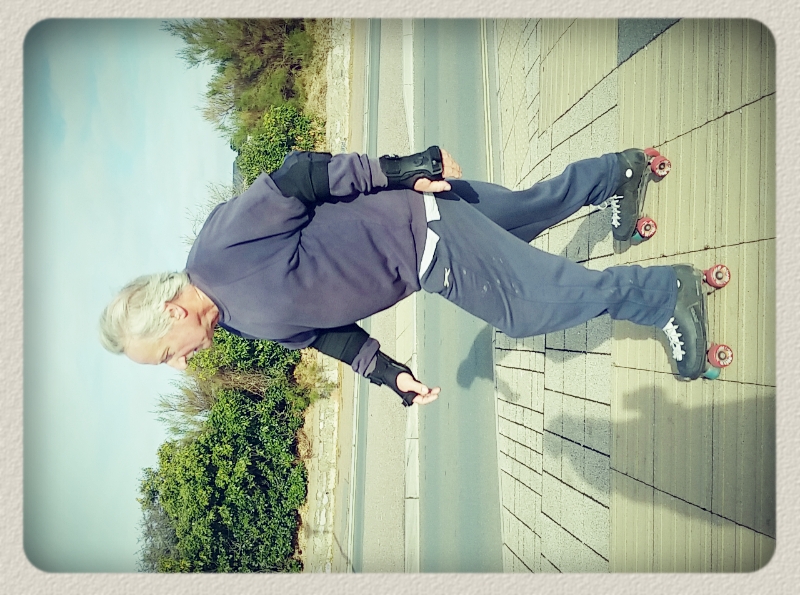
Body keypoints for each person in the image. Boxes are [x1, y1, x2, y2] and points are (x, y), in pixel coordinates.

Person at [99, 146, 710, 407]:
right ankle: (619, 173)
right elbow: (325, 334)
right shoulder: (234, 322)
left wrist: (403, 167)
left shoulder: (218, 251)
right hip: (422, 228)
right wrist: (389, 374)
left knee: (529, 308)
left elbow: (298, 178)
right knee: (529, 210)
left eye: (165, 355)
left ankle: (665, 296)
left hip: (423, 239)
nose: (179, 364)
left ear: (171, 315)